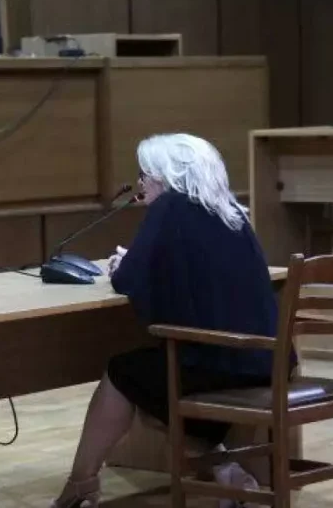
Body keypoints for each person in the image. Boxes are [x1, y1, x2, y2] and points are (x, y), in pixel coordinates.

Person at [50, 133, 291, 507]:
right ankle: (226, 471)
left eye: (145, 174)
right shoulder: (229, 210)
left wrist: (124, 264)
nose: (141, 183)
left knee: (123, 374)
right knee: (154, 389)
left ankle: (81, 483)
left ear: (167, 175)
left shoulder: (170, 207)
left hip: (223, 363)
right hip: (268, 361)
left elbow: (128, 280)